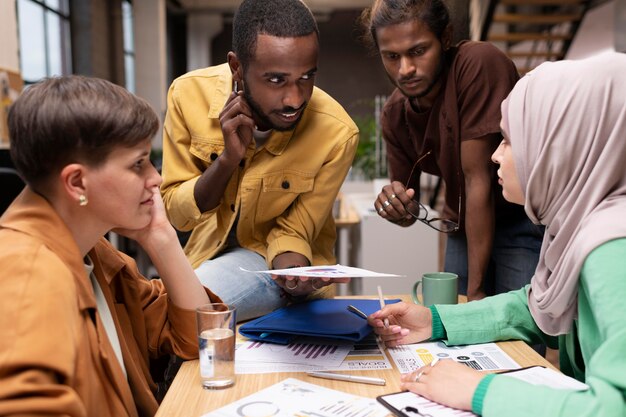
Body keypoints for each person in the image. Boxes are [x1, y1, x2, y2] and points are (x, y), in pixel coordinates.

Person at [368, 52, 626, 416]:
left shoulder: (613, 249)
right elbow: (535, 308)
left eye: (508, 139)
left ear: (558, 146)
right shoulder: (578, 228)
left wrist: (479, 390)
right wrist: (437, 321)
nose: (494, 156)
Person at [0, 75, 221, 417]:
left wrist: (160, 237)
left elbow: (199, 338)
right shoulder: (26, 272)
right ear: (77, 182)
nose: (156, 178)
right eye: (138, 163)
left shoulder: (93, 252)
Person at [161, 0, 357, 321]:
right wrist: (227, 161)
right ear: (237, 67)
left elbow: (295, 230)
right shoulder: (187, 95)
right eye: (276, 80)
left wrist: (293, 278)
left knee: (184, 310)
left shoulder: (336, 132)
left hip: (273, 263)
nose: (295, 99)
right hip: (206, 256)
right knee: (172, 307)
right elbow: (177, 213)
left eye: (307, 77)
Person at [361, 0, 543, 300]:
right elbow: (409, 209)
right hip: (462, 226)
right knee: (456, 330)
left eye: (418, 51)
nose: (405, 69)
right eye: (392, 56)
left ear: (445, 37)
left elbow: (477, 178)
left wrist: (476, 292)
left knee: (518, 332)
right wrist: (395, 207)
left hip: (519, 220)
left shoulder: (478, 64)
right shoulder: (394, 114)